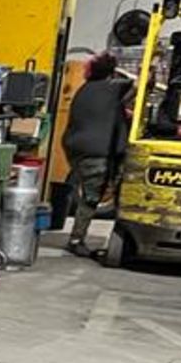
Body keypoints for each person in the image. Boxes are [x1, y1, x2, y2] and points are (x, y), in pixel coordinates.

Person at [63, 53, 133, 256]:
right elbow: (141, 82)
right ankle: (77, 240)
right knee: (94, 198)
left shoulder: (86, 90)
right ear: (110, 72)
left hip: (77, 150)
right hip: (98, 153)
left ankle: (78, 238)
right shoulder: (113, 88)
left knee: (91, 193)